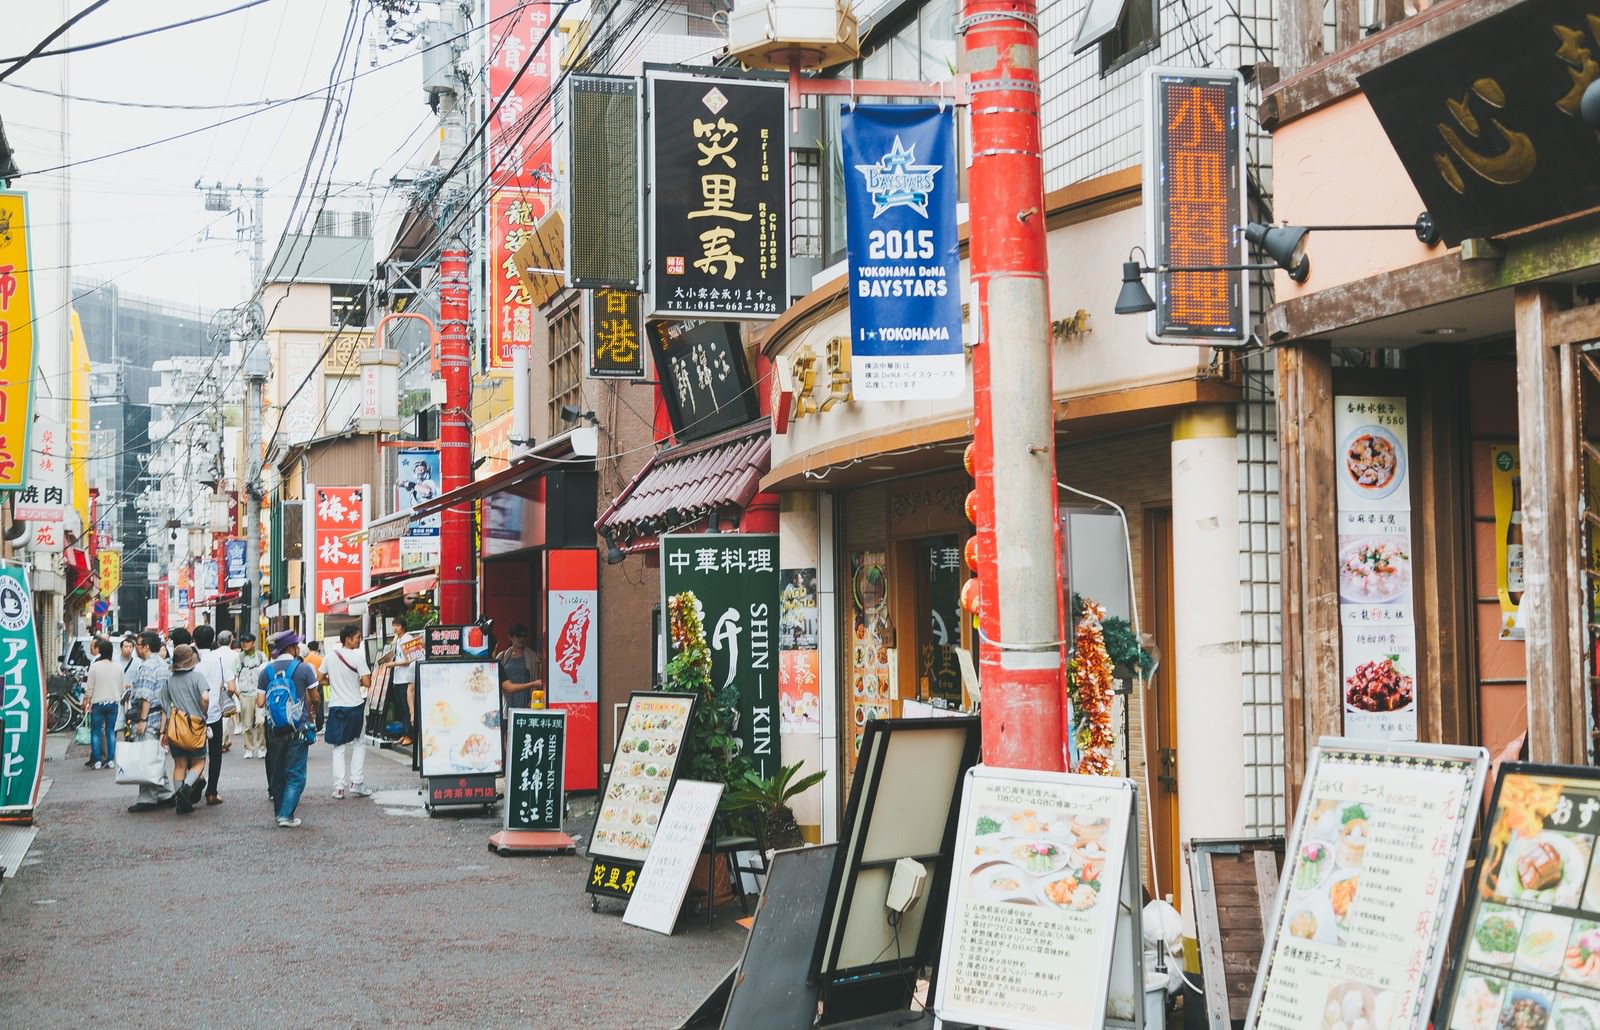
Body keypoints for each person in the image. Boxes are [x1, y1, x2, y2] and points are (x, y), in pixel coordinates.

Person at [259, 631, 319, 828]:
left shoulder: (265, 671)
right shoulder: (303, 668)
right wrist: (312, 711)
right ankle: (286, 815)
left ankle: (279, 812)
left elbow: (260, 702)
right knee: (296, 774)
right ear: (292, 648)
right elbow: (315, 697)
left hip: (274, 729)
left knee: (277, 773)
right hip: (298, 727)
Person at [125, 631, 176, 813]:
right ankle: (166, 794)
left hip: (148, 717)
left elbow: (146, 695)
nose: (136, 648)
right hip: (161, 716)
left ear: (146, 646)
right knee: (155, 756)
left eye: (138, 645)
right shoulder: (163, 665)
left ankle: (147, 798)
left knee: (146, 758)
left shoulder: (147, 666)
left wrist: (142, 720)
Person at [321, 625, 373, 800]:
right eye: (357, 637)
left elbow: (320, 679)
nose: (359, 640)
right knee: (359, 743)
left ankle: (339, 787)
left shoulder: (329, 657)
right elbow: (367, 682)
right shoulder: (358, 659)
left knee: (338, 746)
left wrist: (334, 682)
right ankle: (356, 783)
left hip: (336, 706)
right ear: (348, 639)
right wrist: (355, 680)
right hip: (355, 706)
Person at [159, 644, 211, 816]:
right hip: (195, 727)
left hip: (175, 729)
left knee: (179, 764)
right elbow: (205, 698)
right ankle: (186, 789)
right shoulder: (198, 677)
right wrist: (203, 710)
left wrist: (163, 732)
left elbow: (165, 709)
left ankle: (181, 801)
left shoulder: (169, 681)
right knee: (199, 763)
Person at [193, 624, 235, 806]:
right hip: (214, 714)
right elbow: (231, 687)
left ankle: (195, 779)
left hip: (193, 714)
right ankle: (212, 792)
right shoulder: (219, 659)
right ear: (212, 641)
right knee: (215, 754)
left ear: (194, 640)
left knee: (193, 751)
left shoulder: (190, 659)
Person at [82, 638, 121, 770]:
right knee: (110, 731)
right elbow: (121, 685)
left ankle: (97, 760)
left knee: (96, 732)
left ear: (100, 651)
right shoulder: (117, 666)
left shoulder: (95, 666)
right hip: (113, 702)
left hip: (98, 703)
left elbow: (90, 687)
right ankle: (110, 760)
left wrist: (87, 700)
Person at [496, 624, 544, 714]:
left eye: (524, 636)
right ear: (510, 637)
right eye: (518, 636)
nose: (522, 639)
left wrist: (532, 702)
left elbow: (536, 680)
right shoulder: (502, 656)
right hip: (507, 700)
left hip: (525, 700)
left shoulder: (532, 657)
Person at [385, 617, 418, 746]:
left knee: (407, 708)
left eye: (397, 626)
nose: (395, 628)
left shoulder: (408, 639)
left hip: (406, 678)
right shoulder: (398, 640)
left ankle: (410, 734)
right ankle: (404, 734)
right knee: (401, 708)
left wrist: (393, 664)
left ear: (403, 626)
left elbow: (411, 659)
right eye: (394, 626)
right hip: (397, 679)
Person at [235, 632, 266, 757]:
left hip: (259, 693)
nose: (244, 644)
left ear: (253, 643)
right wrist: (239, 694)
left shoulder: (261, 656)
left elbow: (266, 673)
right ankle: (248, 748)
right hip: (245, 694)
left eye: (247, 641)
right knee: (247, 725)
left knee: (260, 722)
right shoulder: (240, 658)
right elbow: (234, 675)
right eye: (243, 642)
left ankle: (261, 747)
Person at [215, 630, 238, 748]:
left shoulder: (214, 654)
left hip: (216, 687)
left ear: (218, 642)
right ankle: (222, 741)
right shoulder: (235, 655)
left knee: (221, 714)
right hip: (232, 686)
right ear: (231, 641)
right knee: (226, 716)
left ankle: (225, 740)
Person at [304, 641, 326, 731]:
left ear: (308, 648)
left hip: (307, 685)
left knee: (308, 705)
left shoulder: (304, 660)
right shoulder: (321, 659)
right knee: (319, 706)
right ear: (317, 648)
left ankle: (309, 723)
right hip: (318, 683)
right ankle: (319, 726)